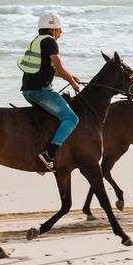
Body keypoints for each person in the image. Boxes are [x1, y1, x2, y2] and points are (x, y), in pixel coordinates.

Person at [18, 12, 80, 172]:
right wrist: (73, 83)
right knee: (71, 118)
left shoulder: (36, 41)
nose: (61, 32)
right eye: (59, 28)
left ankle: (40, 155)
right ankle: (49, 154)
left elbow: (55, 71)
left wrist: (71, 76)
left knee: (51, 118)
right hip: (41, 91)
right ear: (52, 29)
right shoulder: (50, 42)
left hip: (27, 91)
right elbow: (59, 68)